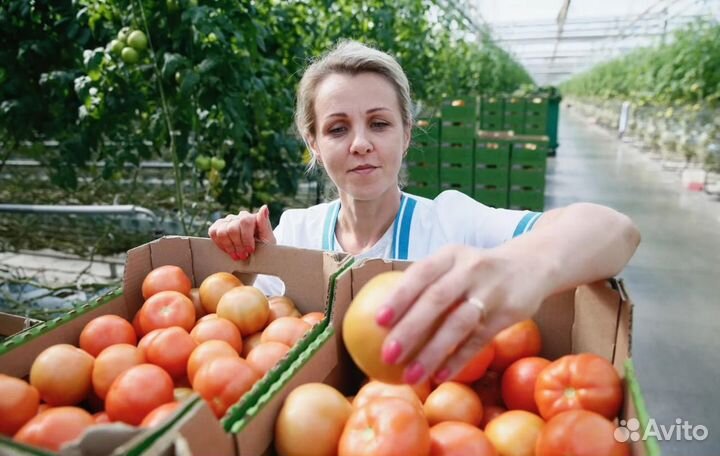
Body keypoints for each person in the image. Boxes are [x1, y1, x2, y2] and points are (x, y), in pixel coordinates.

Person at [209, 40, 641, 386]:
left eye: (379, 124)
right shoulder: (297, 232)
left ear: (407, 134)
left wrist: (520, 267)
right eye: (338, 128)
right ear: (314, 145)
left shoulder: (452, 223)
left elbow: (615, 231)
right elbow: (249, 340)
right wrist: (244, 263)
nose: (360, 143)